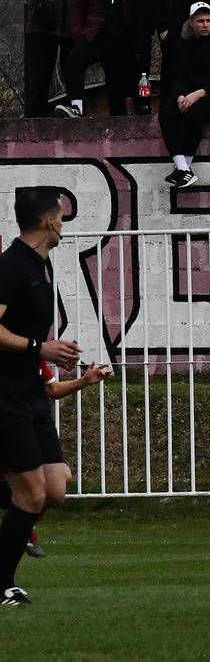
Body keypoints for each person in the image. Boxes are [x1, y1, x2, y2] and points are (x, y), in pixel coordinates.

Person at [0, 187, 111, 606]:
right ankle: (2, 584)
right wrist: (39, 349)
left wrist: (55, 359)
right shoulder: (11, 267)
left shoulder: (37, 267)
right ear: (48, 222)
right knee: (30, 495)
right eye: (61, 218)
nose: (63, 225)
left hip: (31, 393)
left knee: (54, 489)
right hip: (6, 395)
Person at [60, 0, 148, 117]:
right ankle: (77, 108)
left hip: (124, 41)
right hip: (96, 36)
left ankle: (120, 130)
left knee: (118, 89)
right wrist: (79, 33)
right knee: (73, 61)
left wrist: (141, 42)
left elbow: (142, 14)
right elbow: (78, 6)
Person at [158, 2, 210, 188]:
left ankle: (185, 168)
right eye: (201, 21)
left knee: (194, 113)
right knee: (167, 113)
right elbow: (177, 76)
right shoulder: (182, 45)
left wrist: (198, 94)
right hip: (189, 95)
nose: (205, 24)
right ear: (191, 23)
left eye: (209, 20)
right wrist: (180, 97)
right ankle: (183, 168)